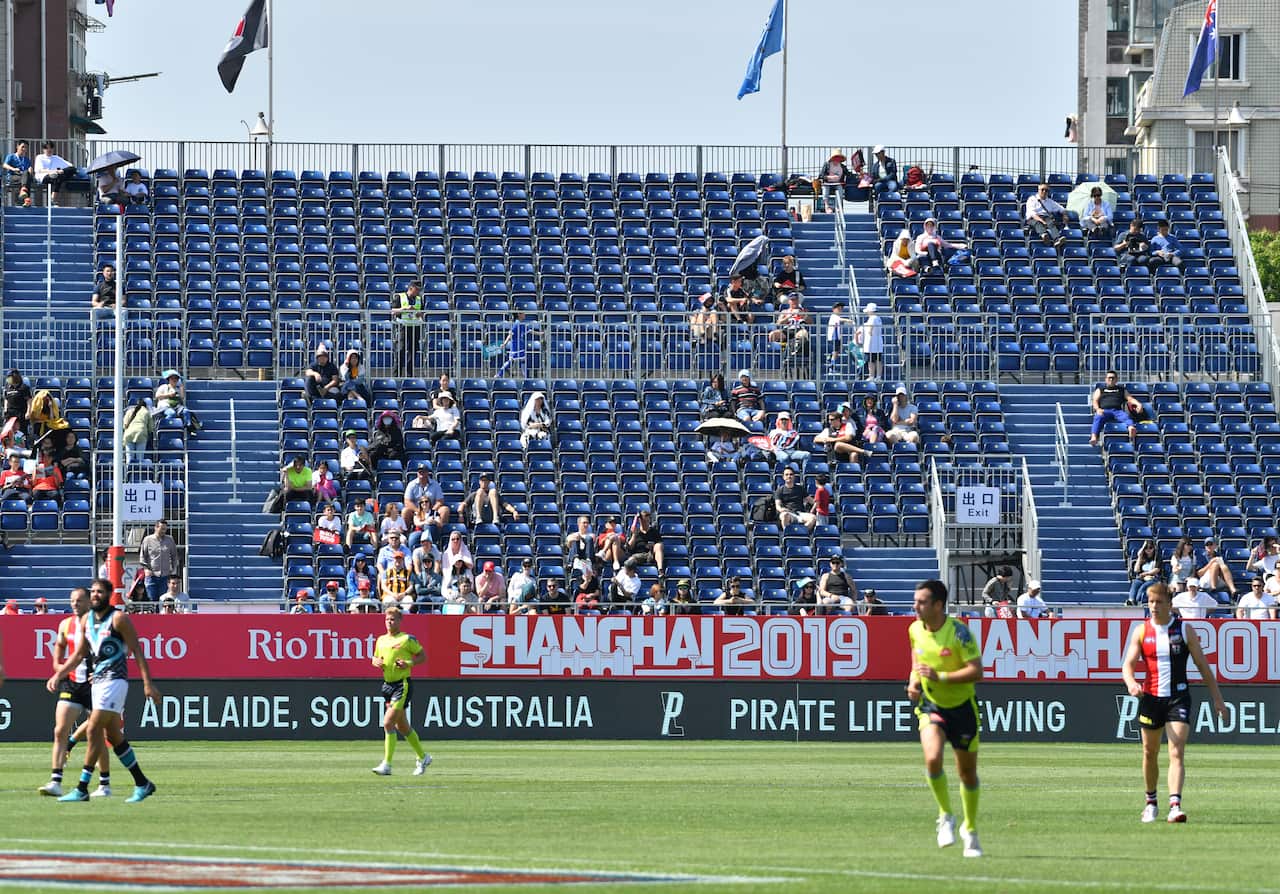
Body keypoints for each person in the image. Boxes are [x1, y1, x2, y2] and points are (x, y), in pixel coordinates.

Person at [46, 578, 159, 802]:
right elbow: (79, 654)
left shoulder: (119, 619)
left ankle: (81, 787)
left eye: (99, 592)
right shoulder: (87, 621)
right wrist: (59, 674)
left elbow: (136, 651)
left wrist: (148, 683)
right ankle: (142, 783)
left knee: (93, 729)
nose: (96, 595)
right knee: (114, 736)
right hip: (97, 682)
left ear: (109, 595)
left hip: (115, 681)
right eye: (94, 591)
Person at [1122, 582, 1227, 824]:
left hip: (1178, 697)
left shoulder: (1184, 630)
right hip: (1150, 699)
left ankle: (1175, 805)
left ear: (1170, 605)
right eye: (1151, 602)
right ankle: (1150, 802)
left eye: (1159, 602)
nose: (1154, 606)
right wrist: (1131, 683)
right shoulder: (1141, 631)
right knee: (1150, 753)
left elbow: (1203, 667)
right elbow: (1127, 665)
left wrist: (1218, 699)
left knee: (1176, 749)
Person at [907, 579, 983, 857]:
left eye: (922, 602)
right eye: (916, 601)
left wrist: (941, 677)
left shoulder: (960, 634)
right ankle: (945, 815)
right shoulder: (914, 629)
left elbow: (977, 671)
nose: (916, 607)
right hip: (932, 705)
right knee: (932, 757)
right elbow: (917, 662)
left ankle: (970, 830)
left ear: (938, 605)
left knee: (967, 773)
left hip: (962, 707)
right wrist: (914, 681)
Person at [38, 587, 111, 798]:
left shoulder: (99, 624)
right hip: (72, 683)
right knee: (60, 730)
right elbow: (60, 645)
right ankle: (56, 781)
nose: (74, 604)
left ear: (89, 602)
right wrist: (56, 666)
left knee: (96, 735)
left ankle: (104, 784)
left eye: (79, 600)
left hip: (94, 685)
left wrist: (101, 671)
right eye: (72, 600)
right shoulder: (65, 624)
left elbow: (111, 652)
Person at [370, 605, 432, 776]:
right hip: (387, 685)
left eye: (393, 619)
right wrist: (375, 661)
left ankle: (387, 764)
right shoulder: (381, 640)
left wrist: (409, 663)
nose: (389, 622)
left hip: (402, 685)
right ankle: (423, 756)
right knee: (403, 727)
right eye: (387, 619)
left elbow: (422, 656)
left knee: (388, 723)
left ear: (400, 621)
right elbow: (375, 657)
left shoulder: (406, 639)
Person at [1089, 370, 1137, 447]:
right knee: (1098, 417)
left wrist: (1138, 404)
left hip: (1117, 411)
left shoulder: (1121, 389)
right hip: (1104, 411)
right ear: (1105, 379)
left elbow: (1130, 399)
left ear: (1116, 379)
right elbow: (1095, 401)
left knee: (1125, 416)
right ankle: (1094, 437)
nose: (1111, 379)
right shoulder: (1100, 389)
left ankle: (1131, 428)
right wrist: (1097, 409)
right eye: (1109, 378)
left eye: (1113, 378)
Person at [138, 520, 179, 604]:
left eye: (165, 529)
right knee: (152, 599)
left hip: (165, 576)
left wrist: (173, 569)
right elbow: (142, 557)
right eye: (162, 529)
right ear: (156, 528)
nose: (164, 531)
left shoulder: (169, 540)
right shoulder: (147, 540)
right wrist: (146, 569)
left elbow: (174, 556)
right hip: (151, 576)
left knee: (162, 600)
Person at [392, 282, 424, 376]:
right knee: (401, 350)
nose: (418, 292)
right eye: (416, 289)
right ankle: (397, 374)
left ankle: (410, 375)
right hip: (403, 327)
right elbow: (393, 311)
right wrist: (405, 309)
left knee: (413, 351)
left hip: (415, 327)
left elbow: (422, 313)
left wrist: (418, 313)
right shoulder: (400, 297)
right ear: (411, 288)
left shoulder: (418, 299)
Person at [624, 505, 665, 574]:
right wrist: (634, 535)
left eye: (647, 521)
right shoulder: (636, 532)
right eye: (644, 521)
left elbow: (660, 544)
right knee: (630, 560)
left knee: (658, 546)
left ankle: (660, 570)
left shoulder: (654, 531)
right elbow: (629, 548)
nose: (646, 523)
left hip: (650, 554)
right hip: (638, 555)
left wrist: (653, 546)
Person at [774, 466, 817, 531]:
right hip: (788, 513)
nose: (789, 476)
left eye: (791, 474)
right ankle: (788, 533)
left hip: (800, 513)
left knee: (813, 518)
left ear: (794, 476)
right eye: (787, 474)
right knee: (784, 515)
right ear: (783, 477)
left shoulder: (800, 488)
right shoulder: (780, 490)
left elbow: (811, 501)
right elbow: (778, 506)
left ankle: (802, 532)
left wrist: (818, 505)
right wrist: (782, 509)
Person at [1025, 182, 1067, 249]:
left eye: (1046, 190)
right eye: (1042, 189)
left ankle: (1057, 239)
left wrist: (1064, 215)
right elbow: (1032, 213)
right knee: (1037, 223)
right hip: (1033, 218)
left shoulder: (1050, 201)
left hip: (1046, 217)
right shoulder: (1032, 199)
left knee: (1051, 223)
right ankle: (1044, 235)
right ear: (1038, 190)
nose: (1044, 191)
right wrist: (1042, 221)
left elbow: (1061, 208)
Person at [768, 293, 810, 357]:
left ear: (798, 301)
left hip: (799, 329)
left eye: (796, 300)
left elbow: (811, 322)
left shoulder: (804, 311)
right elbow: (779, 323)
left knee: (803, 334)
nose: (794, 302)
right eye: (792, 300)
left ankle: (795, 354)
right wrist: (788, 316)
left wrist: (803, 315)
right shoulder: (784, 311)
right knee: (772, 334)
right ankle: (771, 354)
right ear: (789, 301)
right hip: (787, 330)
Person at [497, 309, 534, 378]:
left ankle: (526, 377)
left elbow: (530, 331)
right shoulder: (517, 324)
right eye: (523, 313)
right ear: (519, 315)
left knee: (523, 360)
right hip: (516, 345)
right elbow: (510, 334)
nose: (524, 315)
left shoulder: (520, 323)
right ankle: (499, 374)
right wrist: (505, 343)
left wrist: (541, 333)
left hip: (520, 344)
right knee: (511, 360)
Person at [855, 303, 884, 381]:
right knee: (876, 360)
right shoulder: (878, 318)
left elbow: (870, 329)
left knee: (872, 361)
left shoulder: (872, 318)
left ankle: (873, 376)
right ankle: (876, 376)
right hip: (876, 343)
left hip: (871, 343)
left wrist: (870, 332)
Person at [1128, 539, 1161, 605]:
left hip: (1153, 578)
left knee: (1143, 587)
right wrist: (1139, 556)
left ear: (1154, 548)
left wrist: (1146, 573)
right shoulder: (1142, 558)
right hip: (1142, 578)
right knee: (1135, 583)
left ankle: (1137, 601)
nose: (1148, 550)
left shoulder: (1157, 558)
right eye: (1146, 548)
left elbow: (1157, 570)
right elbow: (1136, 570)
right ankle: (1131, 600)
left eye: (1150, 548)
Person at [121, 400, 153, 464]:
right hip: (141, 434)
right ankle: (139, 472)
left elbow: (124, 425)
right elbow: (150, 427)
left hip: (128, 434)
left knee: (129, 457)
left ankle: (128, 472)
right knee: (140, 458)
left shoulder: (129, 411)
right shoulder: (146, 412)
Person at [3, 140, 34, 205]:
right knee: (25, 179)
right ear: (17, 147)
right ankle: (26, 200)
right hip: (13, 176)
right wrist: (13, 169)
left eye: (26, 147)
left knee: (26, 175)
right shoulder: (11, 156)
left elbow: (28, 169)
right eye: (22, 147)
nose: (24, 149)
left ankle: (22, 195)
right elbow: (5, 165)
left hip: (23, 177)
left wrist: (30, 169)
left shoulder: (26, 159)